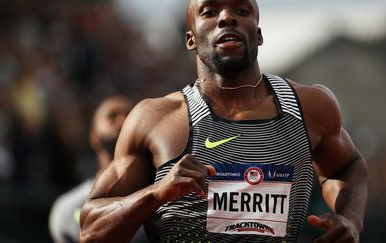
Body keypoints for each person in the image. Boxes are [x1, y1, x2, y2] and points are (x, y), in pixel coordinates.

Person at [80, 0, 368, 242]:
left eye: (242, 11)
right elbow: (91, 230)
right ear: (190, 39)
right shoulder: (155, 120)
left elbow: (348, 167)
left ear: (258, 34)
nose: (227, 17)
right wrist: (155, 194)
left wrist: (351, 219)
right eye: (209, 11)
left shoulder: (308, 108)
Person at [49, 96, 148, 243]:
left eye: (130, 115)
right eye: (112, 116)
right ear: (94, 136)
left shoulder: (160, 198)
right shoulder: (67, 208)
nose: (123, 121)